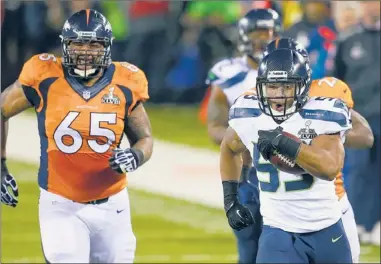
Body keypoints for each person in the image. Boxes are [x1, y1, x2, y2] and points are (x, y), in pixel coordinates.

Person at [0, 9, 153, 263]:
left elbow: (145, 138)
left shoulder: (127, 81)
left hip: (113, 205)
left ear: (106, 47)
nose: (85, 51)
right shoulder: (44, 74)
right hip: (61, 203)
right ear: (65, 45)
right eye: (78, 43)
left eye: (94, 43)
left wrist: (135, 155)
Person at [220, 48, 353, 263]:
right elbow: (228, 148)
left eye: (286, 86)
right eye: (272, 86)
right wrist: (230, 199)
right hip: (278, 232)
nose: (278, 94)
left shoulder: (323, 113)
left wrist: (284, 142)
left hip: (327, 229)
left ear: (303, 86)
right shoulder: (248, 113)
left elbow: (329, 169)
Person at [264, 37, 374, 263]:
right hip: (281, 214)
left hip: (329, 208)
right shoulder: (254, 100)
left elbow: (365, 136)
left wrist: (317, 136)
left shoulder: (326, 95)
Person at [206, 8, 281, 263]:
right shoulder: (227, 73)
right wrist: (243, 139)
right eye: (256, 33)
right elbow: (215, 127)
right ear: (243, 36)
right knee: (248, 245)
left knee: (284, 246)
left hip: (285, 170)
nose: (263, 39)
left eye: (268, 32)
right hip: (246, 174)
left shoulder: (292, 70)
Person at [332, 1, 380, 244]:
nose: (373, 7)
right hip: (359, 117)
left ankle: (373, 224)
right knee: (356, 170)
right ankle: (354, 221)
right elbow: (336, 79)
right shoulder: (348, 40)